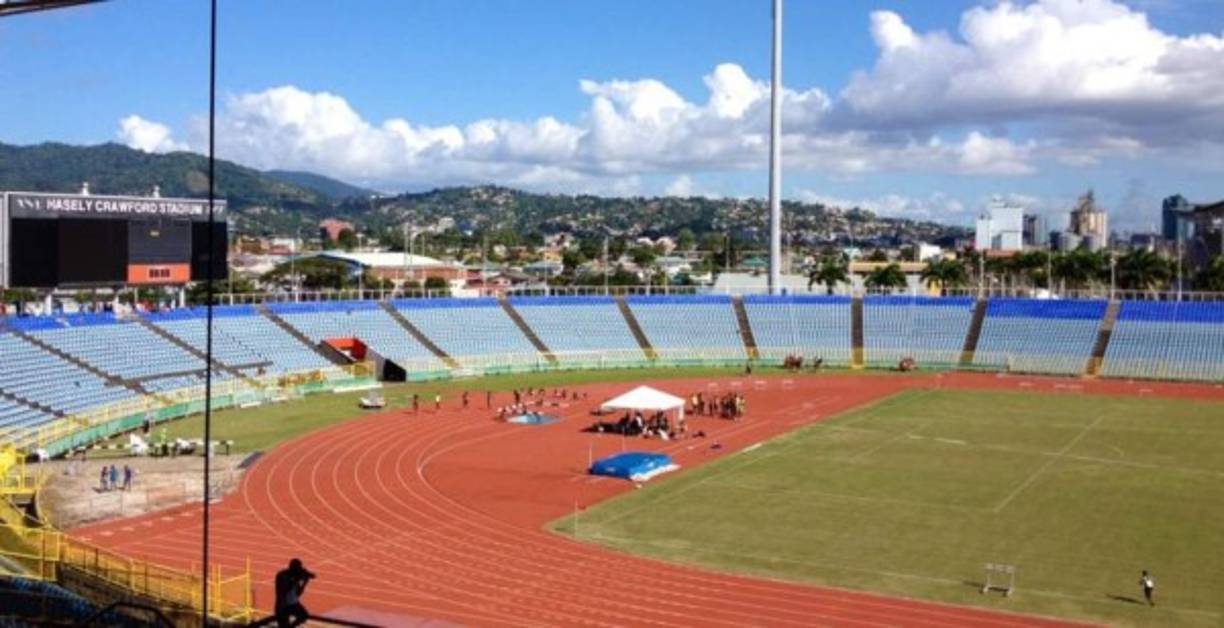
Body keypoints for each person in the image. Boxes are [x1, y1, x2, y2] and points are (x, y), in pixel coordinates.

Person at [274, 558, 314, 627]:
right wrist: (296, 579)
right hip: (282, 606)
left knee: (303, 615)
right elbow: (284, 590)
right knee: (283, 625)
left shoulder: (295, 576)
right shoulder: (282, 575)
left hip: (293, 604)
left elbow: (298, 594)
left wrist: (305, 582)